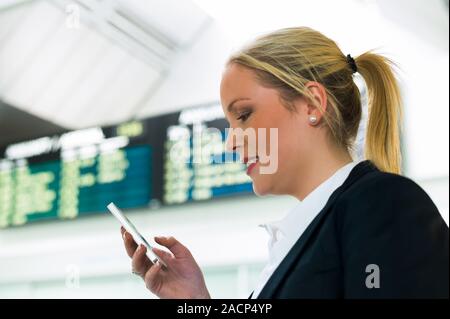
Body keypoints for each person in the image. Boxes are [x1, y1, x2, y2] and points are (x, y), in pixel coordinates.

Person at [121, 27, 449, 299]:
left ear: (313, 104)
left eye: (244, 115)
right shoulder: (299, 241)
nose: (232, 142)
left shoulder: (381, 204)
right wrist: (196, 300)